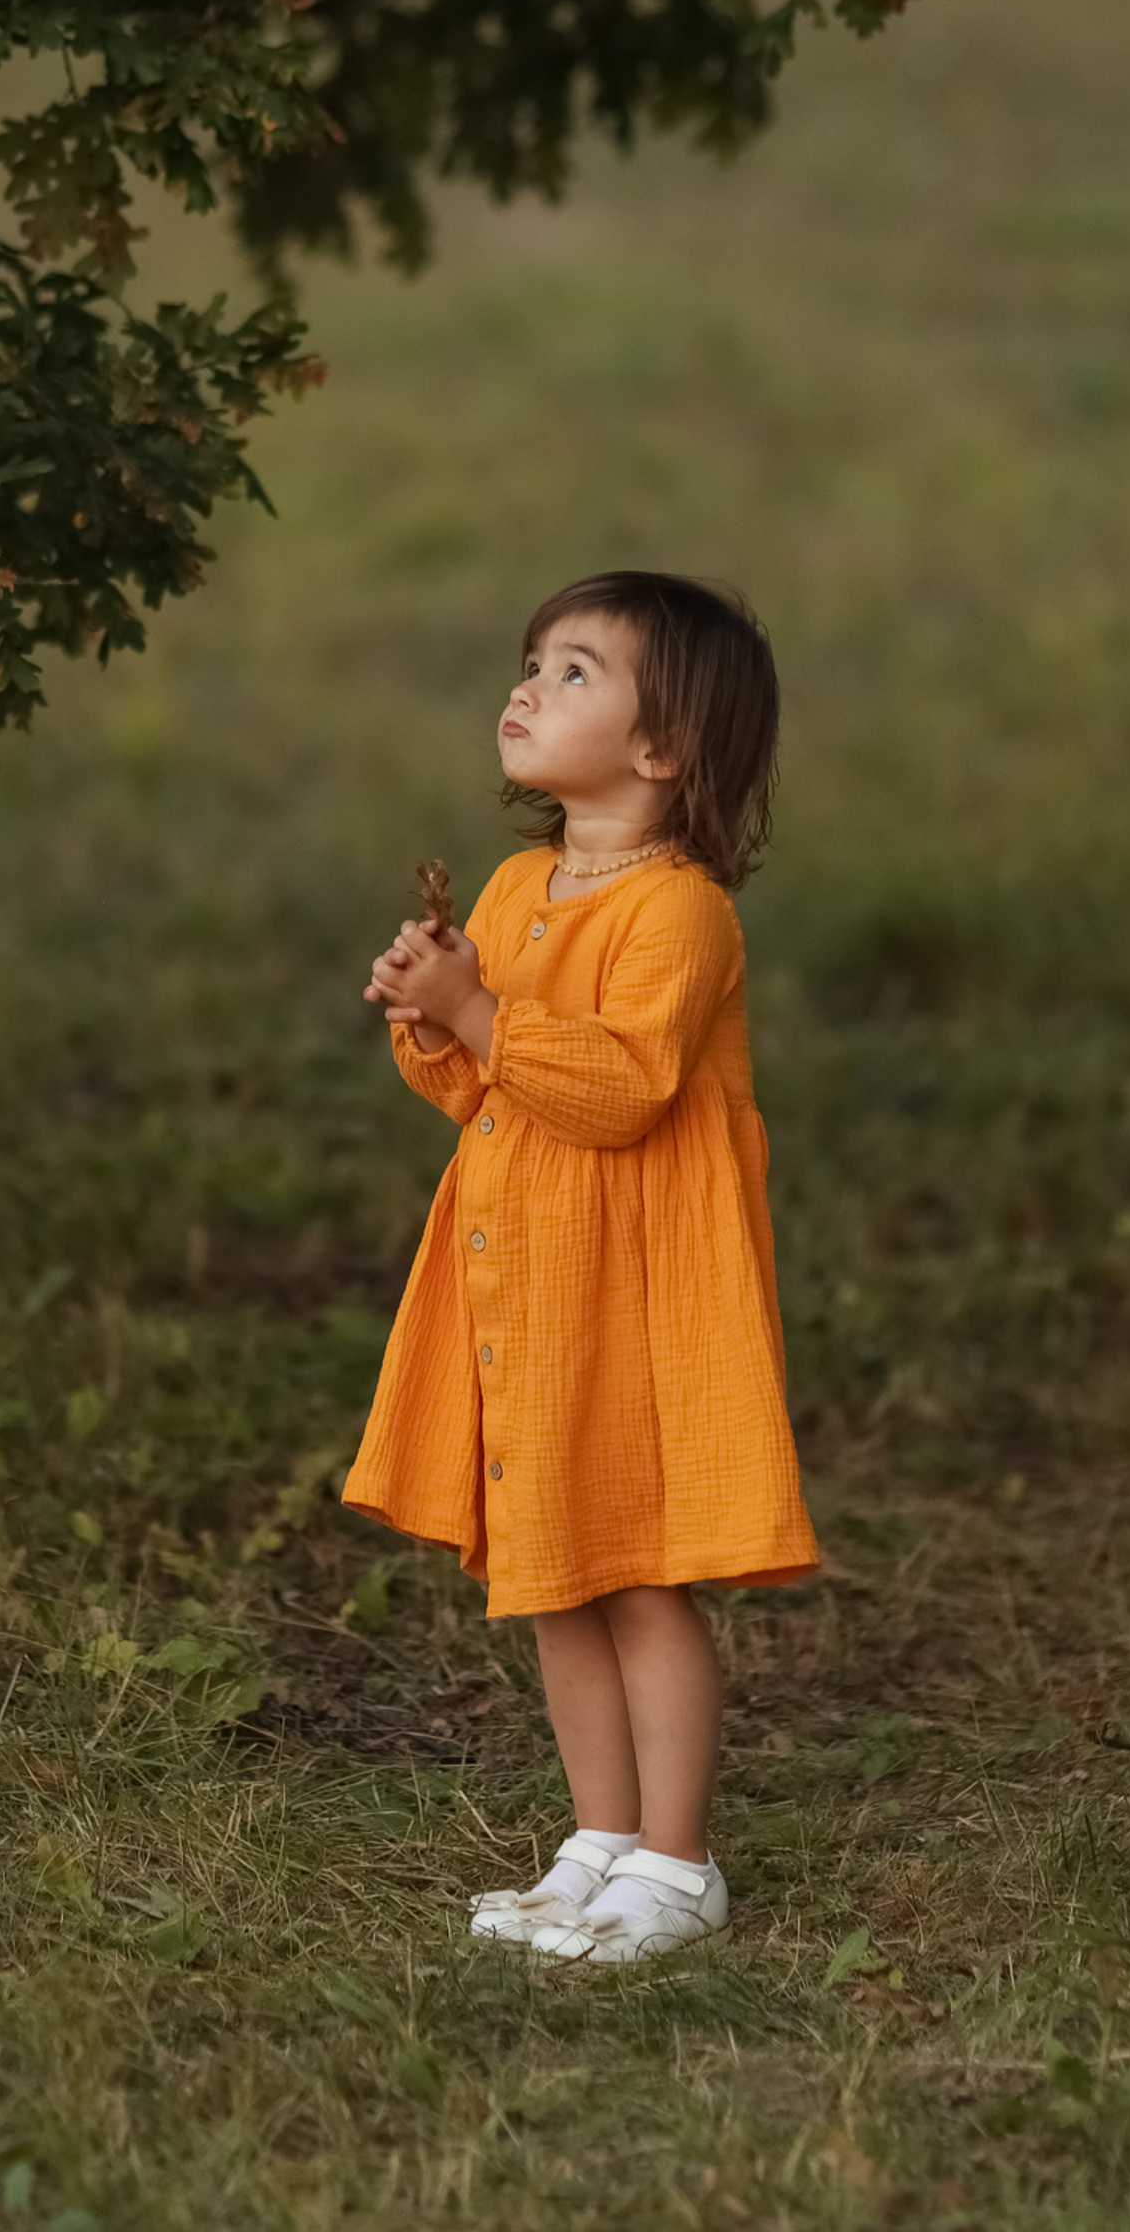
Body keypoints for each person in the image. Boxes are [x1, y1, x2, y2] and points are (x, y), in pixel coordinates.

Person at [349, 570, 819, 1964]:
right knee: (551, 1567)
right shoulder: (515, 883)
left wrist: (483, 1009)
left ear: (662, 748)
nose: (524, 688)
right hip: (531, 1289)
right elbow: (486, 1094)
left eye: (571, 673)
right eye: (529, 663)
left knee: (636, 1571)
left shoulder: (680, 915)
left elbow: (618, 1091)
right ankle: (597, 1836)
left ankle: (678, 1866)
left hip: (630, 1300)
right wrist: (433, 1015)